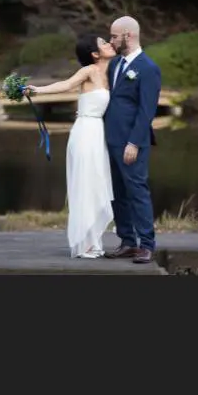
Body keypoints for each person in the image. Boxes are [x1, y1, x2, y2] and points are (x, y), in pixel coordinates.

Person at [24, 34, 117, 258]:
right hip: (85, 131)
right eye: (103, 43)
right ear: (95, 54)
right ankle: (85, 242)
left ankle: (94, 239)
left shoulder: (113, 72)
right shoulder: (89, 71)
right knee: (86, 183)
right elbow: (66, 85)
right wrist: (37, 90)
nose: (109, 44)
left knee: (98, 183)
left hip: (100, 133)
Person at [102, 16, 162, 264]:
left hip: (131, 141)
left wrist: (134, 142)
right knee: (117, 192)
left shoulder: (148, 68)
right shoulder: (115, 64)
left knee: (137, 191)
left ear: (129, 35)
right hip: (111, 138)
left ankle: (146, 244)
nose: (111, 41)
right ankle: (127, 241)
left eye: (114, 36)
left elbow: (146, 110)